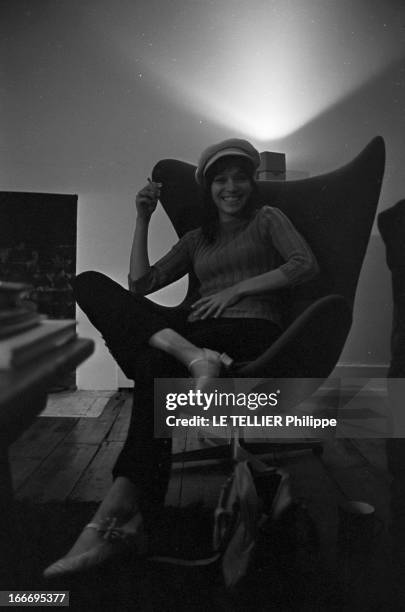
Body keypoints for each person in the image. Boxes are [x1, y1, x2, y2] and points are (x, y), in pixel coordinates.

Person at [43, 138, 319, 578]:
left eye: (240, 178)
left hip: (251, 330)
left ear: (251, 183)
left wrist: (236, 289)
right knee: (90, 283)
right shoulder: (197, 239)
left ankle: (123, 514)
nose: (231, 188)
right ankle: (193, 355)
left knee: (153, 366)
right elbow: (140, 286)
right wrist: (142, 218)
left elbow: (304, 264)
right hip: (197, 332)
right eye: (220, 180)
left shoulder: (267, 219)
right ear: (208, 188)